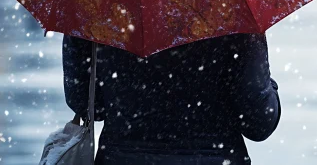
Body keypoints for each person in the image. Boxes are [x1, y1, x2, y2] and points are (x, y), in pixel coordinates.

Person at [63, 33, 281, 164]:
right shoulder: (232, 10)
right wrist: (269, 84)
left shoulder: (98, 2)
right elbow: (258, 122)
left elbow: (87, 104)